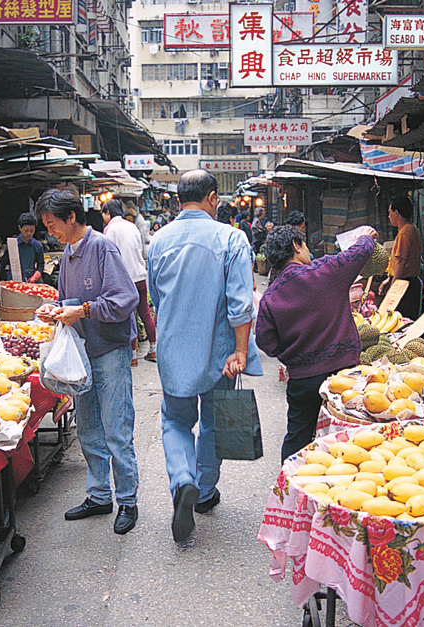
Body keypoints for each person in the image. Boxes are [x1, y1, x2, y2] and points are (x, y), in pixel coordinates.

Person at [147, 169, 263, 543]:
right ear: (213, 198)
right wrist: (242, 350)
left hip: (172, 350)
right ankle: (205, 490)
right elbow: (241, 304)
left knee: (175, 422)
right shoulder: (232, 238)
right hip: (219, 352)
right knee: (214, 424)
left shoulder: (159, 241)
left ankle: (182, 480)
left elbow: (156, 298)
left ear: (179, 199)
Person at [33, 189, 141, 535]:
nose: (50, 232)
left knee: (116, 429)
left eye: (52, 225)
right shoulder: (67, 253)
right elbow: (70, 298)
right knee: (89, 429)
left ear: (72, 218)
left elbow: (125, 299)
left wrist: (80, 310)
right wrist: (56, 309)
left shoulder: (102, 247)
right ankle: (98, 495)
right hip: (82, 352)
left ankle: (127, 499)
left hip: (109, 351)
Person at [256, 224, 379, 462]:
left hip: (302, 379)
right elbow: (358, 253)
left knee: (298, 437)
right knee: (346, 440)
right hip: (343, 376)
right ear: (296, 246)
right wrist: (365, 237)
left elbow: (265, 342)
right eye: (304, 244)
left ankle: (289, 489)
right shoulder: (326, 270)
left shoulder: (271, 296)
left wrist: (291, 354)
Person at [101, 198, 157, 365]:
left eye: (103, 214)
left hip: (124, 279)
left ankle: (132, 356)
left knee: (128, 317)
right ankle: (153, 349)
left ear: (108, 213)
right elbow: (139, 248)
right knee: (145, 313)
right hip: (139, 275)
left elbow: (108, 255)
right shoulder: (132, 226)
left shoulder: (109, 229)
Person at [379, 195, 423, 320]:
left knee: (401, 321)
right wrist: (389, 279)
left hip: (405, 284)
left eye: (390, 213)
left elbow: (401, 262)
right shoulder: (409, 229)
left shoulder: (405, 232)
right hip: (406, 282)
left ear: (396, 213)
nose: (389, 217)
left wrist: (394, 286)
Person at [0, 212, 44, 284]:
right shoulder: (12, 244)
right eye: (26, 230)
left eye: (32, 230)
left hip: (30, 283)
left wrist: (35, 277)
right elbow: (3, 263)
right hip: (13, 282)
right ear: (20, 228)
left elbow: (41, 265)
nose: (29, 233)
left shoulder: (38, 246)